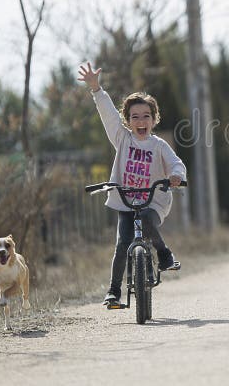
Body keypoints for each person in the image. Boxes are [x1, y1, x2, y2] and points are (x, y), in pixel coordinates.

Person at [77, 62, 186, 305]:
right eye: (134, 117)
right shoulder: (122, 139)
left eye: (146, 116)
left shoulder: (159, 146)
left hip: (153, 201)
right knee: (122, 243)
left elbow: (176, 163)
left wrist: (176, 176)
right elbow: (108, 114)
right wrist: (96, 89)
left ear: (154, 119)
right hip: (126, 201)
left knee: (147, 219)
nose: (141, 121)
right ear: (127, 121)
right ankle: (114, 291)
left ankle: (164, 253)